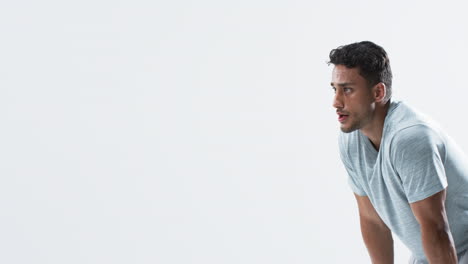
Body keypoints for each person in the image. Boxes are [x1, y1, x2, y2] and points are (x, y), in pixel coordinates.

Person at [329, 41, 468, 264]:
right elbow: (372, 220)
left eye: (347, 90)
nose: (336, 102)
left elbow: (437, 229)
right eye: (334, 89)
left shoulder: (410, 138)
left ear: (378, 92)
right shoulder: (350, 140)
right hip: (429, 254)